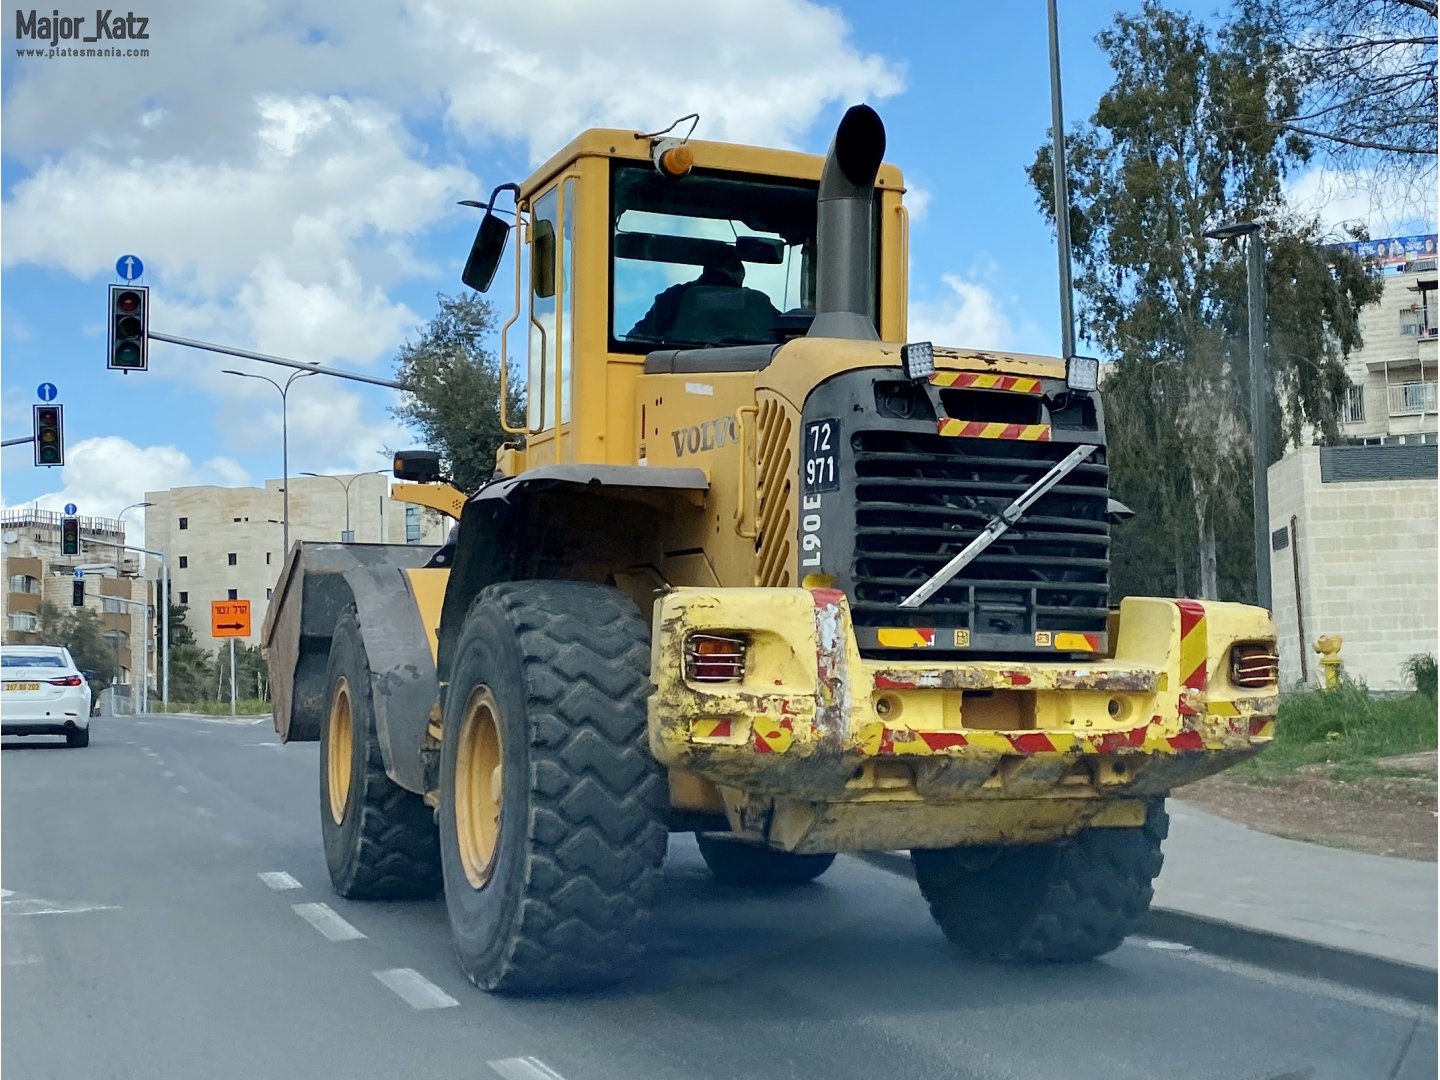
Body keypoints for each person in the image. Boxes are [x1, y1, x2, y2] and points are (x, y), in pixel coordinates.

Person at [627, 248, 778, 343]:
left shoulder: (674, 297)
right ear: (738, 275)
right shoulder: (758, 303)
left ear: (706, 268)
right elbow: (791, 332)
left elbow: (636, 339)